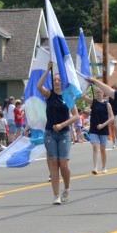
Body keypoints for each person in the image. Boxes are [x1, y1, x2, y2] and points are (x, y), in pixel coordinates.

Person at [38, 64, 80, 205]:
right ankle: (56, 195)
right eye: (55, 80)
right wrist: (47, 70)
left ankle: (67, 188)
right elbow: (39, 87)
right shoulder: (49, 95)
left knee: (64, 164)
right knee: (53, 164)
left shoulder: (68, 96)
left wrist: (62, 125)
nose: (57, 82)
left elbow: (76, 116)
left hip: (64, 133)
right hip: (50, 133)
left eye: (59, 80)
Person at [87, 88, 114, 174]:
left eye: (100, 92)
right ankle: (95, 168)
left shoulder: (107, 104)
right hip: (94, 129)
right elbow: (83, 96)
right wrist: (86, 86)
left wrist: (103, 125)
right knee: (95, 147)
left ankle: (104, 167)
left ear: (103, 93)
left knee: (103, 149)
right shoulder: (93, 102)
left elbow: (112, 117)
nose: (98, 94)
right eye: (97, 92)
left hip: (103, 129)